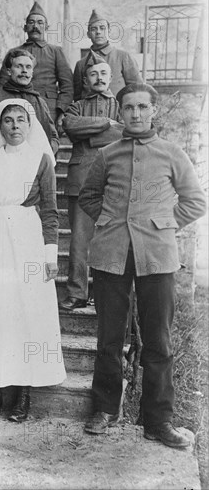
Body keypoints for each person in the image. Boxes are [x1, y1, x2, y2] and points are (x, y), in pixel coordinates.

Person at [79, 83, 206, 447]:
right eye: (128, 108)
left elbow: (195, 202)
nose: (135, 114)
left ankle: (158, 420)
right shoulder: (107, 154)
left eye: (141, 107)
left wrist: (163, 224)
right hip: (111, 254)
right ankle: (105, 408)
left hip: (158, 257)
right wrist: (109, 223)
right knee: (109, 338)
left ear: (153, 111)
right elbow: (90, 196)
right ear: (120, 113)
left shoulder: (171, 153)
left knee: (158, 343)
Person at [0, 99, 66, 422]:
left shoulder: (41, 161)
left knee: (26, 313)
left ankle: (22, 393)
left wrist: (49, 256)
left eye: (21, 119)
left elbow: (50, 211)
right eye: (8, 120)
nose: (15, 125)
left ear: (30, 125)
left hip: (28, 243)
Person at [59, 54, 123, 311]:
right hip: (80, 181)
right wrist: (106, 125)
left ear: (110, 78)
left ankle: (103, 293)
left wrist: (94, 135)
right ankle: (77, 293)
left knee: (110, 238)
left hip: (113, 181)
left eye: (103, 74)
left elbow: (125, 131)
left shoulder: (120, 106)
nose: (99, 78)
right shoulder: (76, 106)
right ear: (85, 79)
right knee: (79, 240)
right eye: (93, 74)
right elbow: (70, 126)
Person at [0, 49, 60, 200]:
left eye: (28, 67)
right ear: (9, 71)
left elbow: (53, 136)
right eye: (19, 66)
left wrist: (42, 153)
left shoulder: (40, 102)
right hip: (3, 175)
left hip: (32, 175)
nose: (24, 71)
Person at [0, 2, 73, 133]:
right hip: (17, 106)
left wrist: (61, 111)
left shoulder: (55, 51)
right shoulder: (13, 53)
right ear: (25, 28)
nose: (35, 26)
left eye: (40, 23)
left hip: (48, 109)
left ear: (46, 27)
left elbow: (67, 86)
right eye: (31, 22)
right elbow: (2, 84)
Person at [73, 9, 143, 101]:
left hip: (117, 112)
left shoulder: (123, 57)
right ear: (88, 34)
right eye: (94, 29)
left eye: (102, 28)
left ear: (109, 31)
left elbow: (137, 90)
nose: (98, 32)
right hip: (89, 114)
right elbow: (77, 97)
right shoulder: (81, 64)